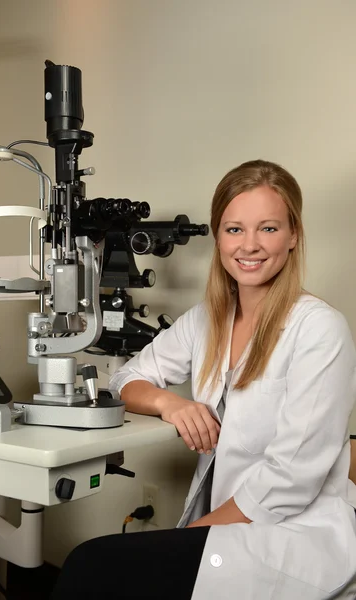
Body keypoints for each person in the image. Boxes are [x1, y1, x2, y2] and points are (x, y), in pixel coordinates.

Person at [51, 160, 356, 599]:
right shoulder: (208, 322)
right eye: (234, 229)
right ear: (218, 236)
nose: (249, 245)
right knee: (95, 567)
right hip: (231, 528)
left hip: (294, 536)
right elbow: (128, 379)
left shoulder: (320, 329)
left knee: (92, 564)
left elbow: (290, 481)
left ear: (293, 237)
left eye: (268, 229)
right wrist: (170, 404)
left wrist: (191, 534)